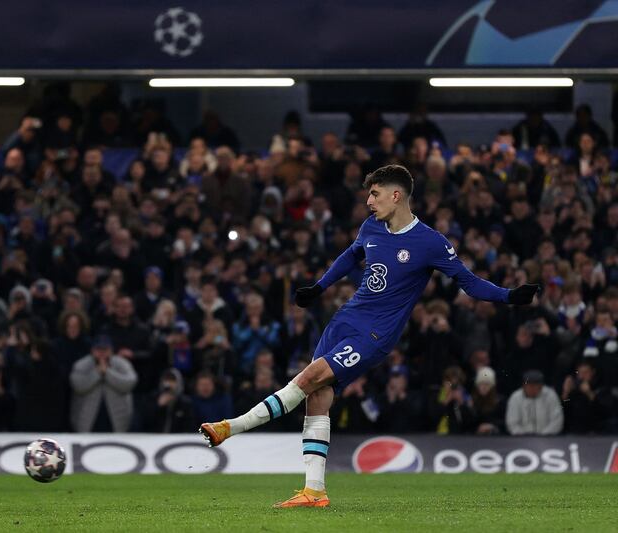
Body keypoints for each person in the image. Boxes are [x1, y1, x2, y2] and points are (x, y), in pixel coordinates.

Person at [199, 164, 540, 508]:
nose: (368, 201)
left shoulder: (431, 243)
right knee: (317, 397)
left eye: (374, 194)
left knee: (308, 378)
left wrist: (509, 295)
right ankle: (314, 491)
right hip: (344, 321)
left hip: (375, 334)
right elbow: (351, 255)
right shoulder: (371, 227)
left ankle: (230, 427)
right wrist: (319, 288)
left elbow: (470, 283)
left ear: (396, 196)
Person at [505, 370, 563, 435]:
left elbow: (556, 421)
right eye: (529, 385)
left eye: (535, 385)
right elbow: (512, 423)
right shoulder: (515, 397)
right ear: (523, 386)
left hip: (547, 439)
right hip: (521, 439)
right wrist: (524, 437)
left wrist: (543, 436)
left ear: (541, 386)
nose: (531, 388)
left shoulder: (551, 395)